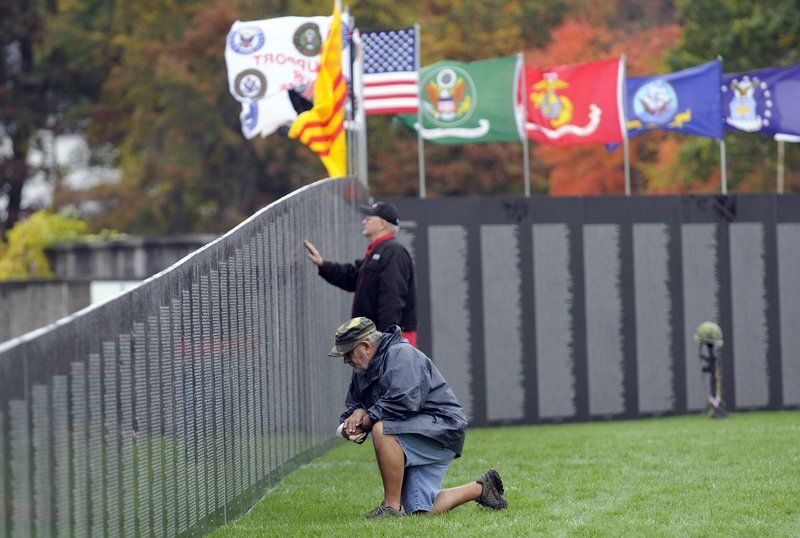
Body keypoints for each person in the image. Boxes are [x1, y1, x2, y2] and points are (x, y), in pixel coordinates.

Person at [328, 316, 508, 518]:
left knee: (382, 429)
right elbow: (356, 404)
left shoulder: (401, 354)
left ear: (366, 346)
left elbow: (402, 402)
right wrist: (353, 417)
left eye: (347, 352)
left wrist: (366, 421)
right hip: (418, 431)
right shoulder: (361, 367)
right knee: (419, 512)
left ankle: (390, 507)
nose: (345, 360)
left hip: (442, 429)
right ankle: (482, 488)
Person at [304, 201, 417, 345]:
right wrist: (323, 264)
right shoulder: (380, 250)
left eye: (369, 219)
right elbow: (353, 277)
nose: (364, 221)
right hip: (377, 339)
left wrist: (385, 342)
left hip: (388, 341)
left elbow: (392, 300)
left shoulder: (393, 252)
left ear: (382, 224)